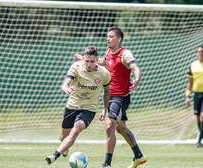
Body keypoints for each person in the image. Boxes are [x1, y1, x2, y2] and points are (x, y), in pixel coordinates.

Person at [75, 27, 146, 168]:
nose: (108, 38)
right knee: (121, 128)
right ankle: (139, 156)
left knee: (109, 126)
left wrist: (137, 78)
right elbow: (105, 62)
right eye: (107, 36)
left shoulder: (125, 53)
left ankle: (106, 164)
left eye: (111, 36)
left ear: (119, 39)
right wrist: (85, 59)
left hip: (120, 97)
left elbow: (135, 67)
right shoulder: (109, 53)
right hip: (111, 96)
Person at [45, 47, 111, 165]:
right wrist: (65, 87)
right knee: (63, 136)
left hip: (89, 109)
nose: (89, 64)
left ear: (97, 60)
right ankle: (65, 147)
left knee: (77, 128)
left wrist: (105, 109)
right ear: (83, 59)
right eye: (87, 61)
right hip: (72, 106)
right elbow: (66, 82)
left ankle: (54, 155)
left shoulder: (104, 74)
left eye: (92, 61)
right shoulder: (76, 66)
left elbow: (107, 92)